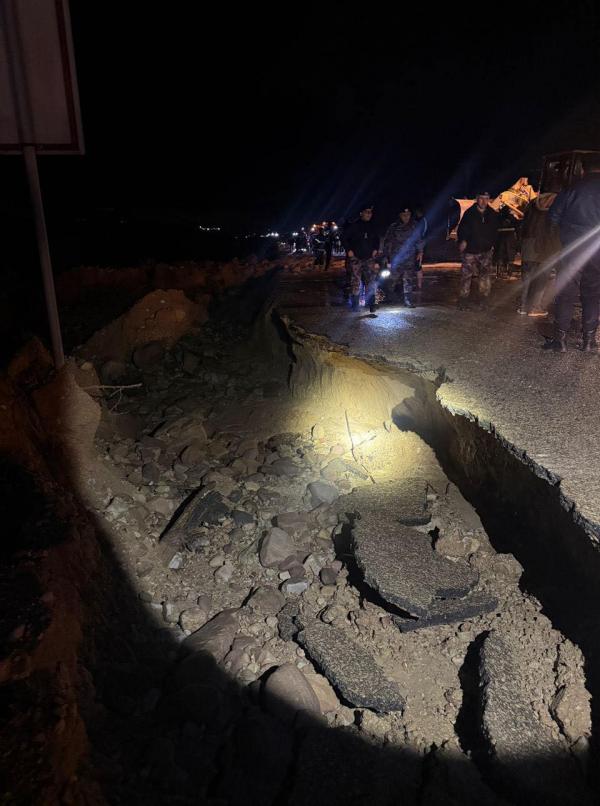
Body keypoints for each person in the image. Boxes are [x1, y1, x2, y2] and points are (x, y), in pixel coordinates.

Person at [545, 153, 600, 352]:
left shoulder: (571, 190)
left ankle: (560, 341)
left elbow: (553, 218)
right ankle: (588, 341)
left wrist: (559, 241)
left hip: (572, 248)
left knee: (566, 292)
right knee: (593, 294)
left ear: (583, 170)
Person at [517, 192, 559, 316]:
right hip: (545, 247)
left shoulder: (532, 204)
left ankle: (523, 307)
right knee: (543, 280)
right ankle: (535, 308)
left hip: (528, 245)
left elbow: (522, 225)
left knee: (527, 278)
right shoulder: (555, 205)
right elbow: (553, 230)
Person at [456, 191, 500, 310]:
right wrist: (463, 240)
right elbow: (462, 229)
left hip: (485, 251)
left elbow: (495, 231)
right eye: (481, 198)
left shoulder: (492, 214)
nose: (484, 201)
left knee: (485, 276)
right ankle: (463, 300)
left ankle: (483, 300)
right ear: (477, 199)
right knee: (466, 276)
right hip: (470, 250)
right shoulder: (469, 213)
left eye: (486, 198)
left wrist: (492, 244)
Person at [382, 205, 425, 307]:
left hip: (409, 256)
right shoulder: (394, 227)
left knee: (408, 278)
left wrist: (420, 251)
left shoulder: (414, 226)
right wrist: (387, 256)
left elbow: (419, 239)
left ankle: (408, 300)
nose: (406, 217)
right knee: (393, 278)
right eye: (404, 215)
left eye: (408, 214)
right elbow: (387, 242)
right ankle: (388, 297)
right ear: (400, 215)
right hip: (397, 257)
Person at [341, 204, 380, 312]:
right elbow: (343, 238)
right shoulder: (354, 226)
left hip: (369, 258)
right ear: (361, 213)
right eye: (366, 212)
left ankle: (371, 304)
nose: (369, 214)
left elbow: (376, 239)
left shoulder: (372, 226)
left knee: (371, 281)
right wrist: (348, 250)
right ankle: (355, 305)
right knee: (355, 281)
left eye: (370, 212)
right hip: (356, 258)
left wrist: (376, 249)